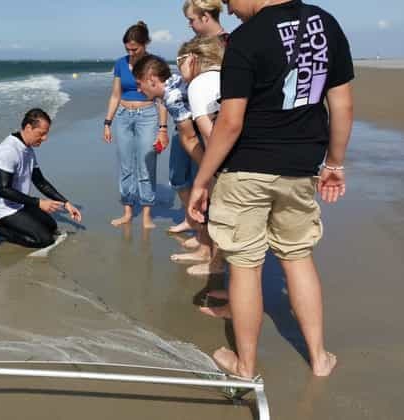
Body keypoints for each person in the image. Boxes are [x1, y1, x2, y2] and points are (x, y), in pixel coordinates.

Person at [187, 0, 354, 378]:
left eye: (229, 1)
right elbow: (342, 103)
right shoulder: (325, 24)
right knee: (298, 256)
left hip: (246, 170)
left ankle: (245, 366)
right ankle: (319, 358)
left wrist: (202, 180)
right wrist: (334, 164)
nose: (230, 9)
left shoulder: (246, 38)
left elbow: (230, 122)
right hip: (300, 167)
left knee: (245, 266)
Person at [0, 109, 82, 248]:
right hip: (2, 209)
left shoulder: (27, 148)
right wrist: (38, 203)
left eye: (46, 134)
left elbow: (40, 181)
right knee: (45, 240)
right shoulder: (8, 152)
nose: (45, 138)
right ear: (29, 128)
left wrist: (66, 203)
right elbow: (4, 191)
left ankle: (9, 224)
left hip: (18, 203)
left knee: (51, 226)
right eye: (41, 133)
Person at [103, 21, 170, 229]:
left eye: (135, 49)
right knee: (125, 164)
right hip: (123, 115)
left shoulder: (154, 64)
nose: (131, 53)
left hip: (147, 115)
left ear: (145, 43)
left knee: (145, 164)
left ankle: (147, 214)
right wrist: (107, 122)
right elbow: (115, 95)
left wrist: (163, 128)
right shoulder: (120, 64)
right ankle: (127, 211)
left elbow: (162, 98)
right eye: (128, 49)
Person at [170, 36, 227, 277]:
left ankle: (216, 264)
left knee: (221, 215)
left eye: (179, 61)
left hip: (229, 163)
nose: (178, 67)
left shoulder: (198, 85)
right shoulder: (229, 76)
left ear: (193, 58)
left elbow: (210, 137)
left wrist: (206, 178)